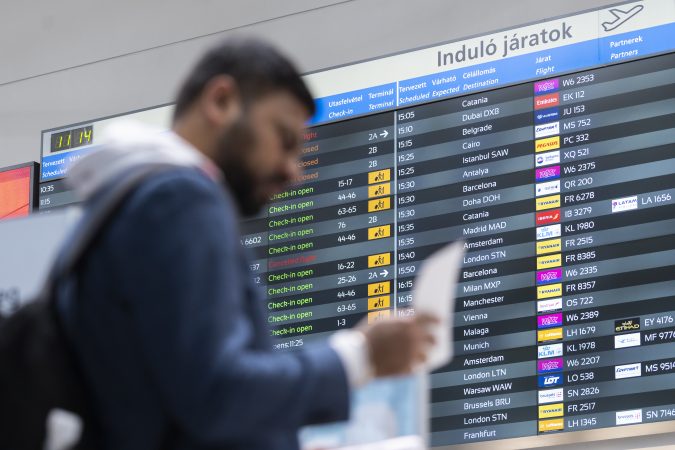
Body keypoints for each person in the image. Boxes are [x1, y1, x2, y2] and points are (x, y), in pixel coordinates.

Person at [56, 38, 436, 450]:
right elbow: (217, 392)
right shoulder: (180, 198)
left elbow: (176, 401)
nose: (294, 173)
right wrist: (360, 356)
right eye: (285, 139)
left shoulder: (119, 204)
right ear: (221, 101)